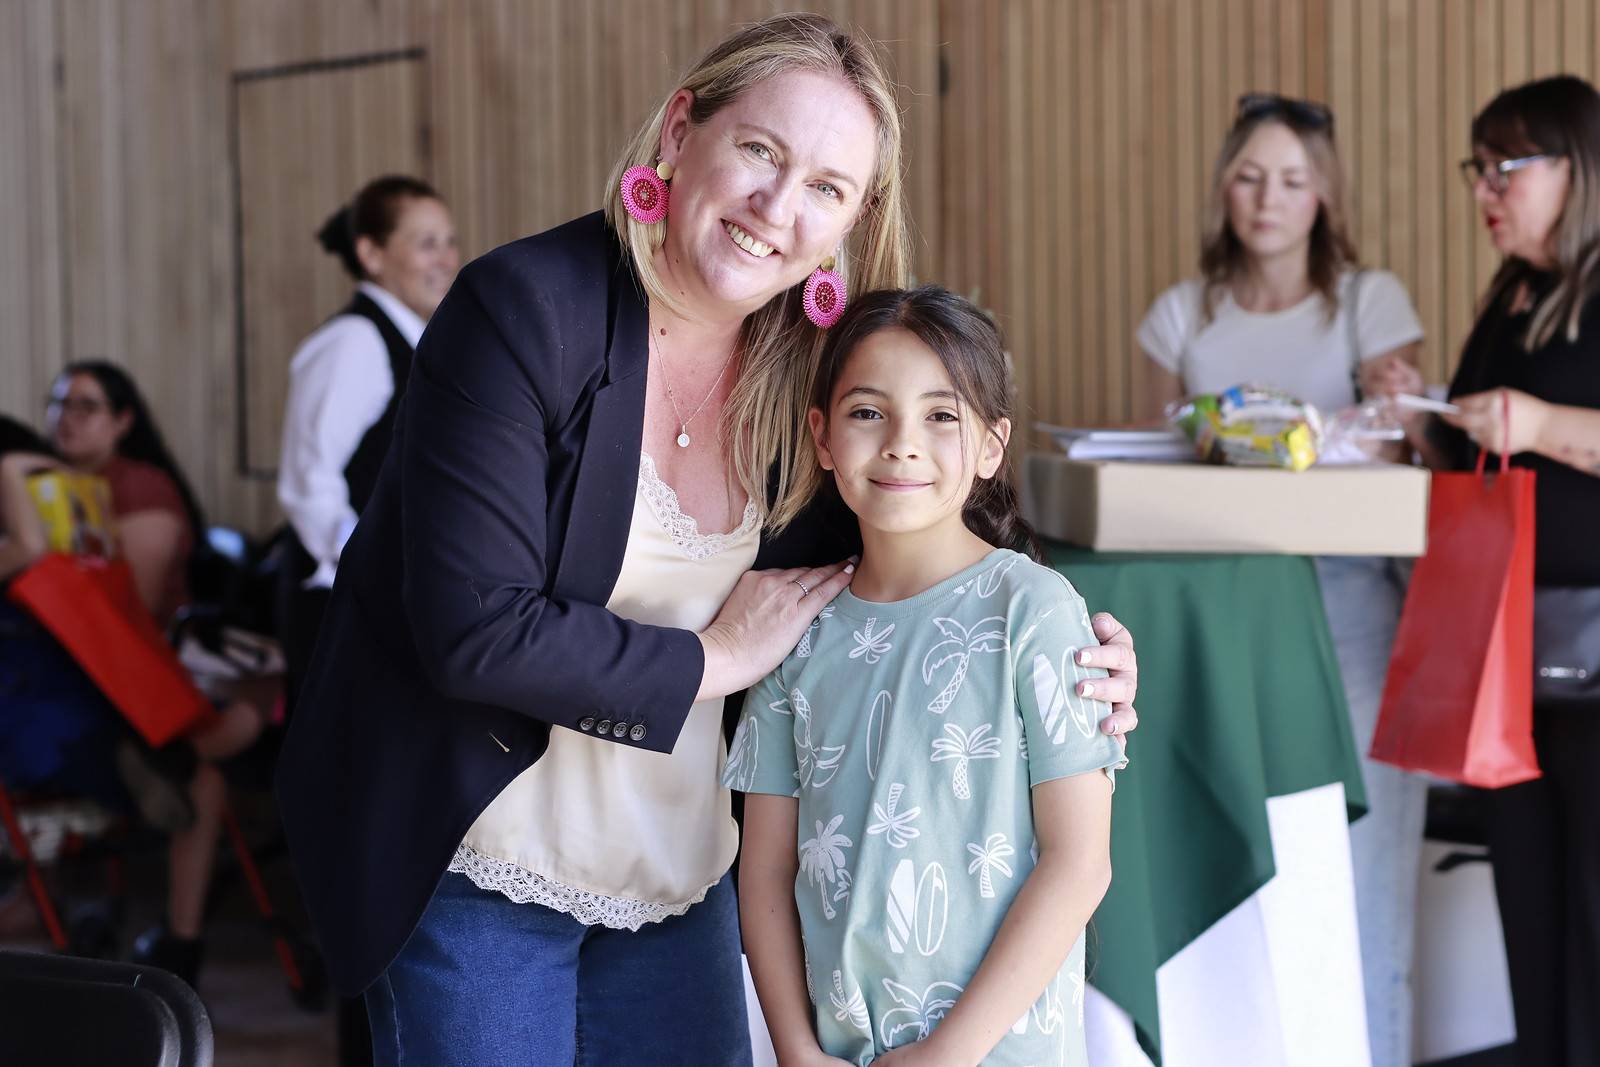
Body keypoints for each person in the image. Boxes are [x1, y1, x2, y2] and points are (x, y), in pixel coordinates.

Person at [274, 15, 1142, 1066]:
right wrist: (715, 657)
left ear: (852, 220)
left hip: (677, 866)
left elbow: (910, 521)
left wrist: (1070, 651)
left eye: (826, 186)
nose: (778, 207)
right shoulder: (525, 310)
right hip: (478, 849)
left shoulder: (812, 366)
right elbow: (473, 631)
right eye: (760, 150)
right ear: (681, 131)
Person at [729, 287, 1124, 1066]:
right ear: (822, 436)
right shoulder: (798, 635)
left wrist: (947, 1053)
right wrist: (797, 1049)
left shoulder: (1033, 609)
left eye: (941, 414)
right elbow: (766, 869)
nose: (902, 443)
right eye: (867, 411)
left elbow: (1080, 862)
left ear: (991, 445)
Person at [1136, 93, 1427, 1067]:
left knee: (1363, 871)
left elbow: (1403, 448)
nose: (1268, 199)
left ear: (1323, 197)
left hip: (1351, 604)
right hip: (1218, 612)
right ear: (1224, 189)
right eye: (1250, 177)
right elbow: (1160, 466)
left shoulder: (1370, 302)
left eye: (1293, 181)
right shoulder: (1181, 314)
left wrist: (1396, 413)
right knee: (1243, 873)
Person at [1384, 75, 1600, 1067]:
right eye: (1477, 168)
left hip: (1592, 660)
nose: (1485, 189)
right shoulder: (1512, 297)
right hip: (1508, 656)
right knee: (1531, 903)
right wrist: (1420, 422)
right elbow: (1478, 465)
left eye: (1506, 166)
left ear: (1576, 167)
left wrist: (1539, 423)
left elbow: (1535, 434)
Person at [46, 362, 274, 986]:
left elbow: (134, 617)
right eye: (59, 403)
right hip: (81, 666)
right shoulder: (42, 482)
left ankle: (181, 937)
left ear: (123, 420)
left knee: (200, 771)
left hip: (148, 665)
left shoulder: (141, 489)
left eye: (86, 406)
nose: (66, 418)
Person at [276, 175, 459, 714]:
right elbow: (309, 483)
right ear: (371, 254)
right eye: (426, 243)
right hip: (347, 602)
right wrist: (368, 571)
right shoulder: (353, 343)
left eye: (450, 241)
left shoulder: (417, 340)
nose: (446, 259)